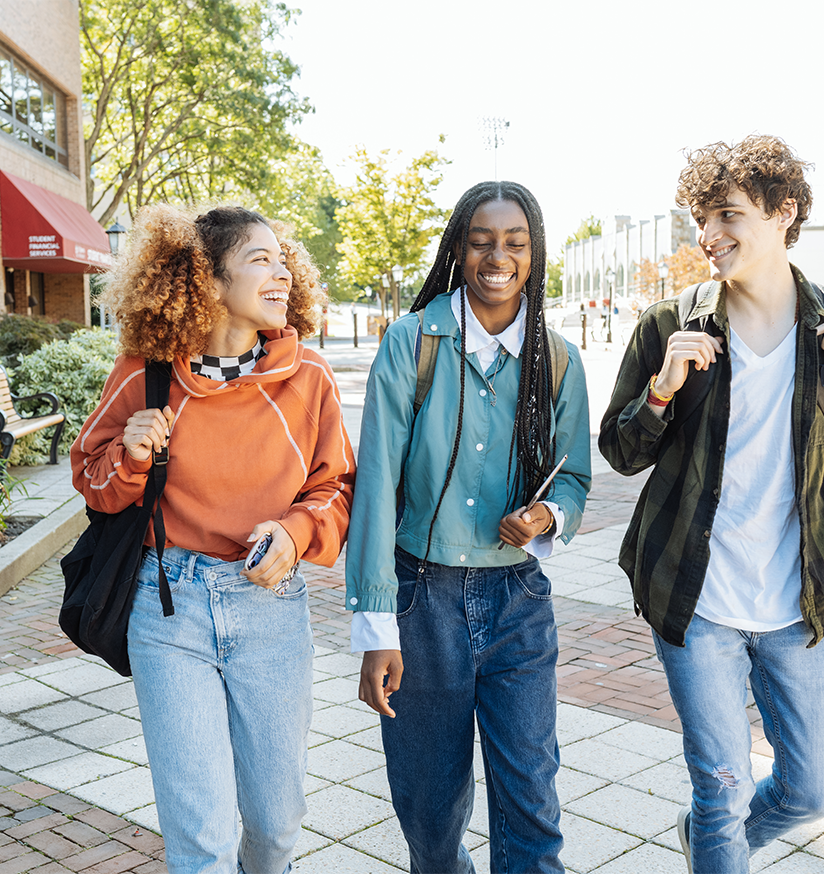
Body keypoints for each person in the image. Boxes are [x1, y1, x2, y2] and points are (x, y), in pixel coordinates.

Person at [599, 135, 824, 873]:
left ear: (785, 214)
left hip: (799, 600)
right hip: (696, 600)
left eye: (727, 214)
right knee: (719, 787)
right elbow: (620, 452)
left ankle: (710, 844)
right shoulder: (671, 324)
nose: (708, 235)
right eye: (700, 217)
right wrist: (661, 389)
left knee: (813, 791)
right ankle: (715, 839)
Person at [71, 205, 355, 874]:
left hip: (272, 611)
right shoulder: (146, 373)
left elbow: (337, 487)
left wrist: (295, 534)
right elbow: (94, 480)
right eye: (260, 259)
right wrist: (134, 455)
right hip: (169, 608)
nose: (282, 272)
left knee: (277, 826)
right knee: (201, 841)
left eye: (283, 259)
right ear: (205, 278)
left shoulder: (308, 377)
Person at [345, 181, 591, 873]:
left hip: (519, 603)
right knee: (429, 812)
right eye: (482, 240)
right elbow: (375, 494)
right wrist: (375, 630)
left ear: (534, 255)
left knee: (532, 805)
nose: (498, 256)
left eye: (515, 243)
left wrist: (547, 515)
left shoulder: (559, 359)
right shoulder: (411, 343)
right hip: (422, 603)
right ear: (458, 246)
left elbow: (573, 478)